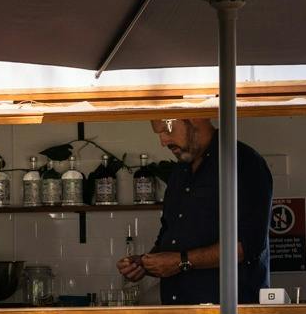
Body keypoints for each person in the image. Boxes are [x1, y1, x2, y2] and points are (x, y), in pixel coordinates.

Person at [117, 117, 274, 304]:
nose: (163, 141)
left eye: (166, 130)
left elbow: (247, 246)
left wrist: (180, 261)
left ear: (194, 118)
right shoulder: (180, 171)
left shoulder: (243, 162)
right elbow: (169, 234)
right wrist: (145, 263)